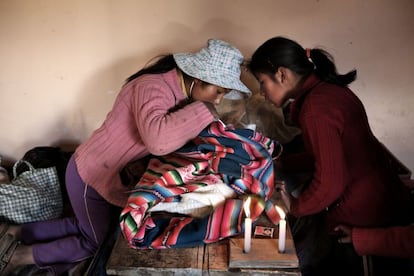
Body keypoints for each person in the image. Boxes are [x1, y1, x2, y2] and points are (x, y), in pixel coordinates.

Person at [0, 38, 251, 275]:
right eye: (218, 92)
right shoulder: (153, 87)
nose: (218, 100)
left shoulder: (176, 91)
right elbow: (159, 141)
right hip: (89, 174)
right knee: (94, 242)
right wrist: (204, 109)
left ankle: (16, 231)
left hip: (99, 171)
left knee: (84, 225)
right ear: (198, 79)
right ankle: (21, 256)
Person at [247, 36, 411, 276]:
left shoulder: (315, 109)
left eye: (262, 82)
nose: (261, 92)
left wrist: (296, 206)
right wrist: (285, 162)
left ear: (282, 75)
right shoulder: (330, 92)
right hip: (381, 196)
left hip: (363, 212)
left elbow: (330, 183)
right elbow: (327, 154)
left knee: (291, 257)